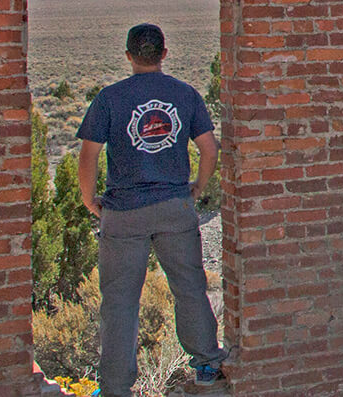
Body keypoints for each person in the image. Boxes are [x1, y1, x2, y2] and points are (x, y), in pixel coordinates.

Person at [76, 23, 229, 396]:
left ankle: (115, 388)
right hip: (174, 206)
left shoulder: (109, 98)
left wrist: (88, 198)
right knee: (190, 286)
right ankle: (207, 363)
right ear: (164, 54)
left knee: (120, 301)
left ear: (128, 55)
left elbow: (89, 155)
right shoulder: (185, 94)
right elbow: (210, 149)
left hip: (124, 210)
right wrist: (197, 187)